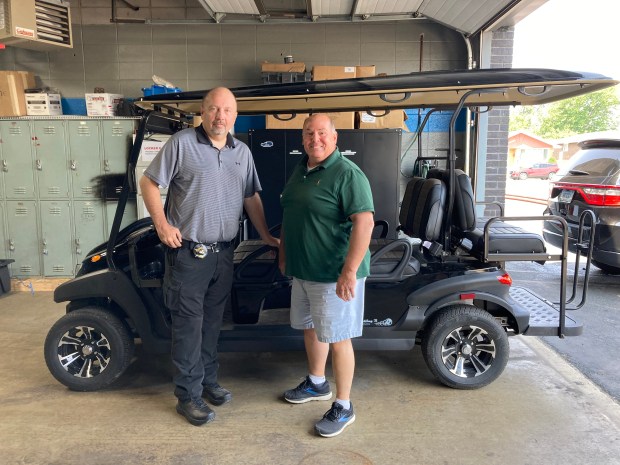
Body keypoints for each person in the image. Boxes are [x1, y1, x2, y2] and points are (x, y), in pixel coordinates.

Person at [140, 87, 278, 426]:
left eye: (227, 110)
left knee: (213, 322)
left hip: (224, 254)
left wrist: (264, 234)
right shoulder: (182, 144)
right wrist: (162, 225)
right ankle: (188, 395)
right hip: (189, 255)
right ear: (202, 111)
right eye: (214, 109)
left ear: (235, 114)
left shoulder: (242, 152)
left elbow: (251, 197)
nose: (220, 116)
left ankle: (207, 381)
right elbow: (148, 183)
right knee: (189, 325)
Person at [278, 113, 375, 437]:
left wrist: (348, 272)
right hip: (304, 271)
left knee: (338, 338)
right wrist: (283, 252)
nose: (314, 139)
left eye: (321, 133)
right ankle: (317, 383)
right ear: (302, 139)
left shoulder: (347, 173)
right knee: (311, 329)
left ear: (334, 139)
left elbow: (365, 222)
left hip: (334, 275)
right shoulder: (301, 170)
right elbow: (293, 214)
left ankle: (344, 406)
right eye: (308, 133)